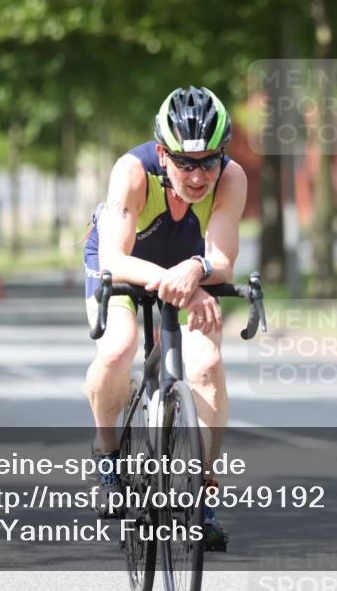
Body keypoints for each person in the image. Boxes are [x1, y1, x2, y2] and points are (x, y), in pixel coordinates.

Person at [83, 86, 247, 550]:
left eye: (209, 161)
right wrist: (181, 283)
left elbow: (222, 257)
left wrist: (197, 272)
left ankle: (204, 499)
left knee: (208, 366)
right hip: (124, 265)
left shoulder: (232, 179)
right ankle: (108, 456)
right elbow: (114, 256)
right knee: (118, 348)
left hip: (188, 271)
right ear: (162, 153)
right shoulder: (132, 172)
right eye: (184, 163)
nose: (198, 176)